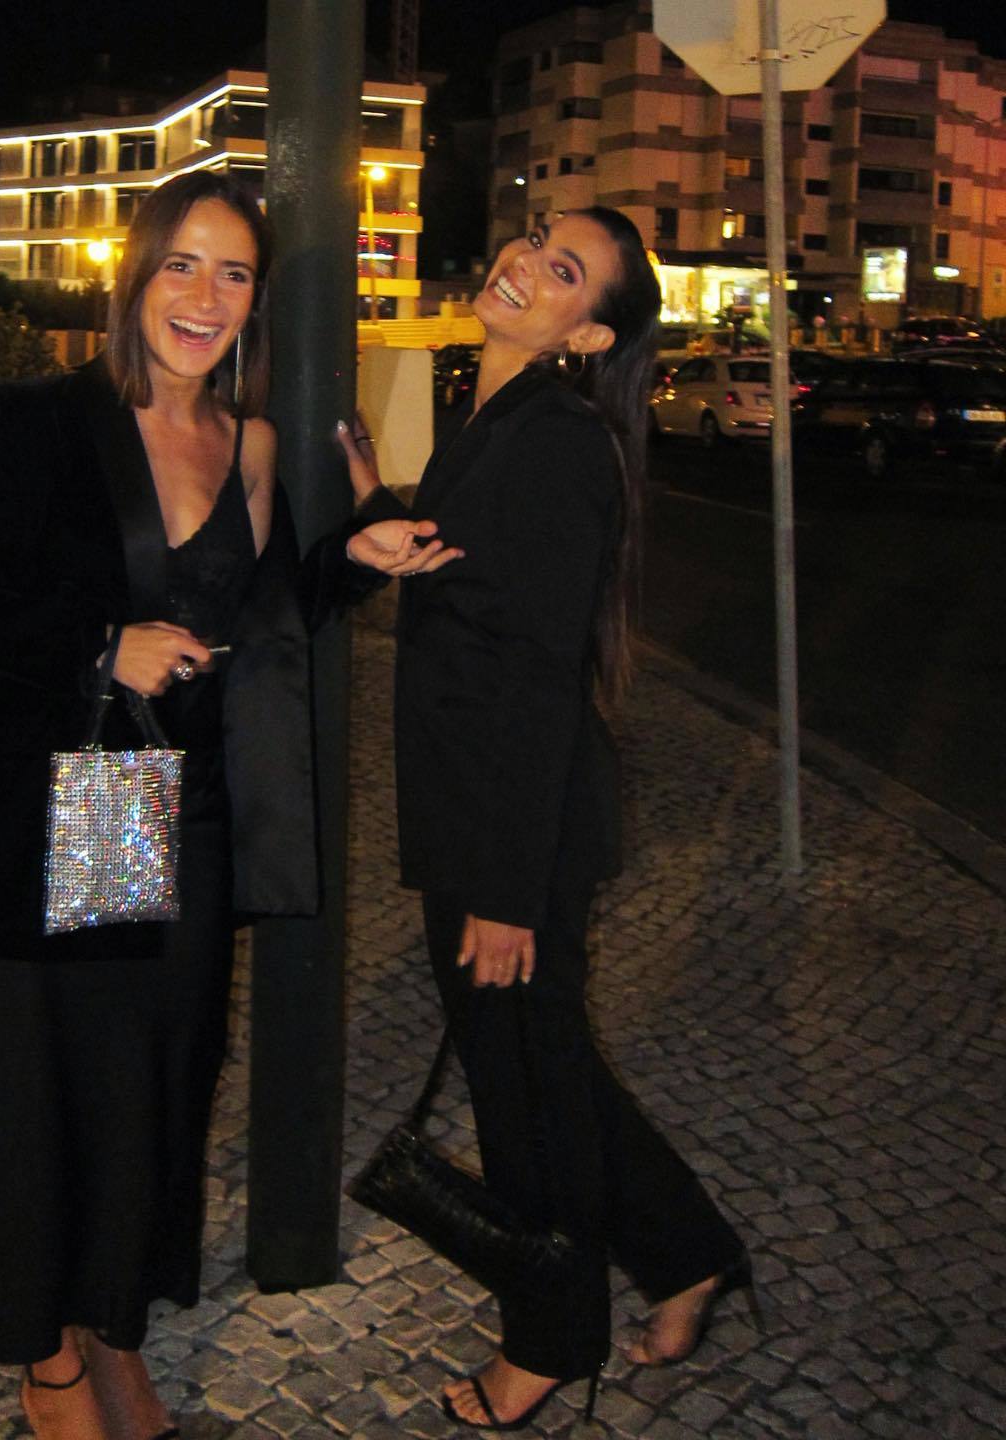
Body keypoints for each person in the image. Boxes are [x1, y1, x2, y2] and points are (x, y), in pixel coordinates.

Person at [0, 170, 454, 1440]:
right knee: (48, 1081)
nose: (206, 296)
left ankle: (114, 1324)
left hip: (178, 806)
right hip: (71, 796)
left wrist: (351, 564)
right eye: (184, 265)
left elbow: (253, 618)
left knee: (149, 1080)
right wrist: (99, 646)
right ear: (137, 277)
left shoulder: (249, 446)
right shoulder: (51, 423)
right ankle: (45, 1351)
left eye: (234, 272)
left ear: (255, 300)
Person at [338, 208, 751, 1430]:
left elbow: (536, 670)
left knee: (524, 1088)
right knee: (544, 1061)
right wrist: (375, 502)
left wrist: (507, 890)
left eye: (561, 269)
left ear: (592, 333)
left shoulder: (558, 441)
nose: (521, 262)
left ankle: (553, 1336)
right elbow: (478, 580)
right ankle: (685, 1252)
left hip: (509, 828)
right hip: (480, 806)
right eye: (533, 241)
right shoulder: (499, 412)